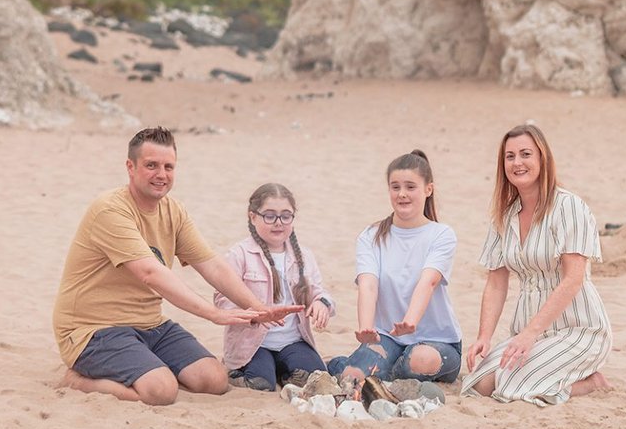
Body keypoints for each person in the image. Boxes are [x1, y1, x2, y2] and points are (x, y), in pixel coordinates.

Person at [53, 127, 303, 405]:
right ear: (130, 167)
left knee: (214, 380)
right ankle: (78, 380)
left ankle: (144, 365)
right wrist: (212, 313)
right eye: (151, 165)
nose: (161, 174)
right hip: (93, 329)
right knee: (161, 391)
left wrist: (258, 308)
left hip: (149, 324)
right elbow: (151, 273)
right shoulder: (110, 210)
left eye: (168, 167)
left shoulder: (173, 210)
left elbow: (211, 265)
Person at [461, 123, 612, 404]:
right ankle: (555, 371)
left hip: (578, 329)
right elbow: (496, 283)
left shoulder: (569, 207)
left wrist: (531, 334)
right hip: (528, 333)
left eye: (525, 154)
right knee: (480, 383)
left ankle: (592, 383)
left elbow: (573, 279)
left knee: (510, 387)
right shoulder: (504, 217)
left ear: (543, 158)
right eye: (510, 156)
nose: (517, 162)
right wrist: (485, 336)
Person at [327, 150, 462, 386]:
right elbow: (368, 285)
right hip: (388, 337)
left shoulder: (441, 234)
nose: (402, 194)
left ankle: (381, 372)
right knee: (353, 377)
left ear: (428, 189)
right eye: (395, 187)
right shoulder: (371, 236)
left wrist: (410, 321)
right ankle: (355, 366)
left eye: (410, 187)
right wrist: (366, 327)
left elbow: (428, 282)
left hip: (437, 342)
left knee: (418, 360)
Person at [215, 183, 335, 392]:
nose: (278, 223)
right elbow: (222, 300)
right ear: (253, 217)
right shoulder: (239, 254)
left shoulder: (303, 256)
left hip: (293, 341)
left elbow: (319, 291)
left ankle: (284, 369)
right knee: (261, 384)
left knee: (315, 378)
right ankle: (251, 369)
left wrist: (321, 304)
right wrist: (254, 314)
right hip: (253, 345)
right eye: (269, 216)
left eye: (286, 216)